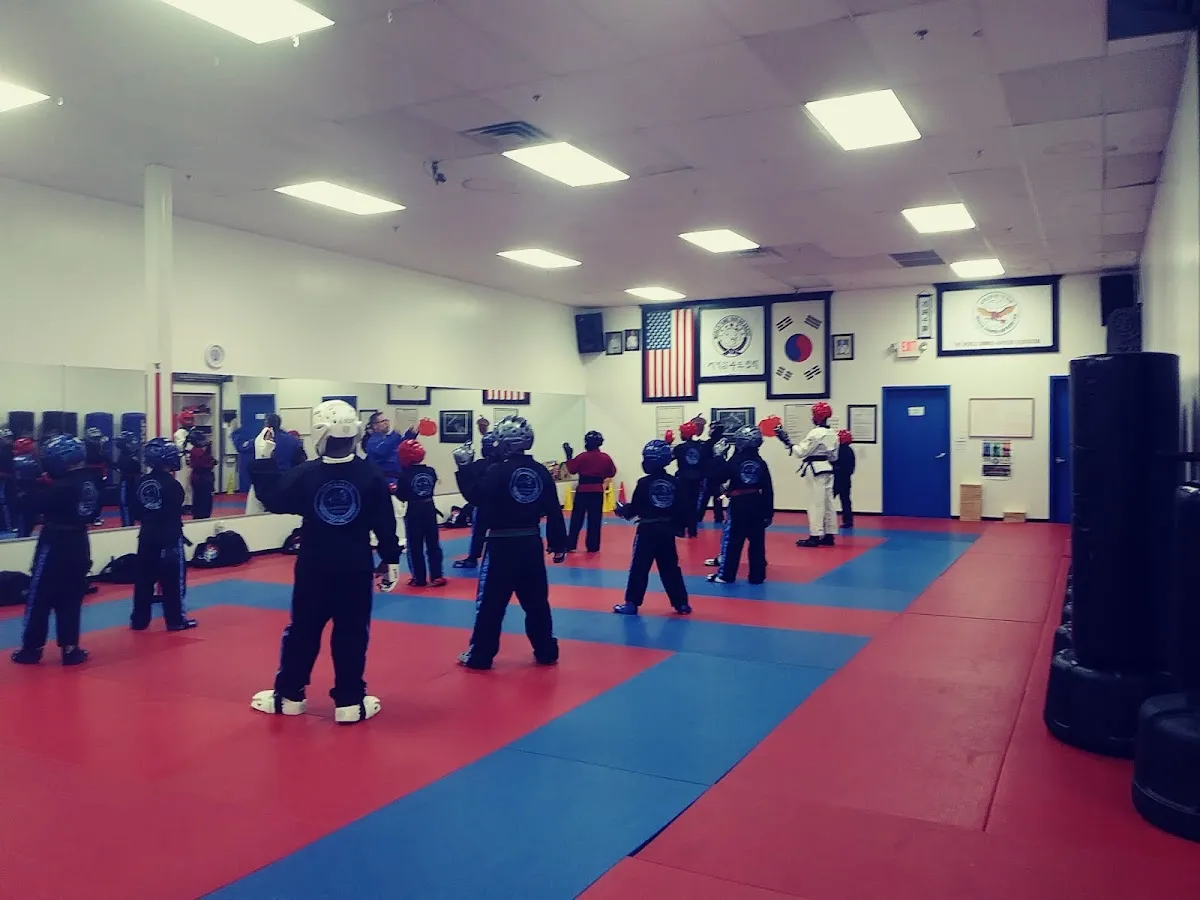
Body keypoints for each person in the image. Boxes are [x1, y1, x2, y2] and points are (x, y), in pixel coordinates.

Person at [248, 400, 402, 724]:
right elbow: (385, 524)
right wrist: (390, 559)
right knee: (352, 633)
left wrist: (263, 458)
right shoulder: (371, 474)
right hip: (355, 568)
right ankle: (350, 702)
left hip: (314, 567)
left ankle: (289, 696)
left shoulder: (307, 474)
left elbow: (271, 498)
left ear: (319, 433)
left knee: (303, 631)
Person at [459, 415, 568, 671]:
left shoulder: (497, 471)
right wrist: (558, 544)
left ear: (504, 443)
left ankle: (481, 656)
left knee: (492, 604)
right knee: (537, 602)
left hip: (501, 545)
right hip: (531, 543)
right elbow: (553, 508)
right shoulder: (540, 470)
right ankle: (546, 651)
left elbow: (476, 497)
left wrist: (464, 468)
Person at [11, 435, 97, 666]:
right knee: (71, 596)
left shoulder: (60, 489)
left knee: (40, 594)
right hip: (79, 541)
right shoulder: (89, 480)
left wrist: (27, 483)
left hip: (55, 542)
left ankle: (31, 649)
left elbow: (27, 507)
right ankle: (71, 649)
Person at [612, 439, 692, 616]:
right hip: (667, 530)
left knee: (639, 568)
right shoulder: (674, 482)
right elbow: (683, 507)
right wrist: (683, 526)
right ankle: (681, 604)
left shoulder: (644, 483)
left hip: (647, 531)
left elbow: (636, 509)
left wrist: (622, 510)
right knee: (670, 568)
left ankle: (632, 603)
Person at [130, 438, 198, 632]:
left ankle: (139, 620)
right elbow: (173, 512)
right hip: (169, 538)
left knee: (144, 579)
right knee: (173, 581)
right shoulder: (172, 485)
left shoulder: (141, 482)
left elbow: (136, 511)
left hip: (146, 536)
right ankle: (176, 620)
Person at [707, 425, 774, 585]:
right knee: (757, 542)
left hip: (739, 504)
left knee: (733, 542)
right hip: (757, 503)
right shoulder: (760, 463)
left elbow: (719, 477)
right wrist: (768, 512)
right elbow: (768, 489)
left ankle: (726, 576)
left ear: (742, 443)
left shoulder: (736, 460)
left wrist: (718, 457)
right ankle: (757, 576)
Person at [777, 402, 839, 548]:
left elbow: (801, 452)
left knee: (815, 503)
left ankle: (815, 536)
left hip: (815, 470)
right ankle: (829, 534)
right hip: (828, 468)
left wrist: (787, 441)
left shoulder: (816, 433)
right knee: (828, 502)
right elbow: (834, 457)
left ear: (817, 417)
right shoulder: (833, 434)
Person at [394, 438, 445, 587]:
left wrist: (394, 490)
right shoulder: (431, 471)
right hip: (429, 508)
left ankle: (419, 578)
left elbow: (402, 496)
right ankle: (437, 576)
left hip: (414, 511)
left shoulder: (404, 475)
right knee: (433, 544)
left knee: (415, 546)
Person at [563, 430, 616, 553]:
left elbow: (572, 470)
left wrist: (569, 457)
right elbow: (612, 472)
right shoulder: (605, 458)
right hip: (597, 491)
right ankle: (593, 546)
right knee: (595, 520)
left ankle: (571, 545)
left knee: (576, 520)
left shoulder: (582, 456)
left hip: (583, 491)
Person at [452, 433, 497, 569]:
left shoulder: (480, 465)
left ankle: (472, 558)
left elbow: (468, 486)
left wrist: (464, 465)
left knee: (478, 532)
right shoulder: (505, 465)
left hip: (483, 505)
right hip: (501, 506)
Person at [672, 420, 705, 538]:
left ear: (685, 433)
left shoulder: (680, 448)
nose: (680, 434)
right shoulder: (700, 447)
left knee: (681, 505)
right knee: (693, 506)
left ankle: (680, 530)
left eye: (681, 432)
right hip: (697, 480)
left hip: (683, 480)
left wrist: (667, 443)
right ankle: (692, 531)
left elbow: (668, 458)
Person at [10, 439, 42, 538]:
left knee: (25, 525)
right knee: (26, 525)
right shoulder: (26, 462)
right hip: (28, 496)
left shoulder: (16, 461)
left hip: (25, 496)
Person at [698, 422, 726, 526]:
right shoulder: (720, 442)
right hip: (714, 474)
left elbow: (705, 459)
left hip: (711, 475)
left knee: (709, 497)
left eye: (712, 429)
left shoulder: (718, 443)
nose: (710, 431)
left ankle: (701, 516)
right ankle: (717, 516)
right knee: (713, 497)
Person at [114, 431, 142, 527]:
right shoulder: (124, 458)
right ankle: (127, 526)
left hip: (135, 481)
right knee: (126, 504)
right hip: (127, 482)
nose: (134, 444)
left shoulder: (133, 455)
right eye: (130, 442)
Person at [188, 430, 217, 520]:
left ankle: (201, 515)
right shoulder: (196, 451)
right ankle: (202, 516)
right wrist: (209, 450)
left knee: (199, 499)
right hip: (202, 477)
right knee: (204, 500)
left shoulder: (196, 450)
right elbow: (206, 462)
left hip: (200, 477)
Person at [833, 429, 856, 530]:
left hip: (837, 479)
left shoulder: (838, 450)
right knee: (846, 500)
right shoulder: (850, 451)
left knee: (828, 500)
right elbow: (851, 468)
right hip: (846, 479)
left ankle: (826, 520)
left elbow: (833, 463)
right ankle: (848, 521)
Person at [0, 426, 13, 534]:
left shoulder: (8, 450)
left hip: (7, 479)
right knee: (3, 501)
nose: (10, 440)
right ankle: (8, 527)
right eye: (7, 438)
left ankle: (8, 526)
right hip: (4, 479)